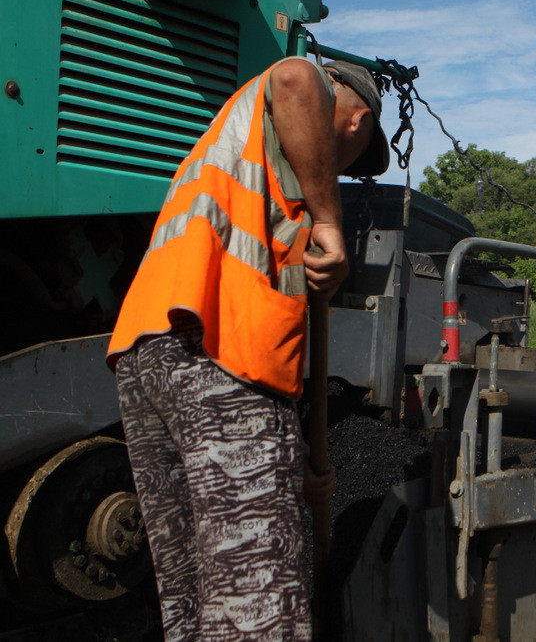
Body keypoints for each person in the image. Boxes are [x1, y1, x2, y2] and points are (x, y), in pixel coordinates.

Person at [106, 56, 389, 639]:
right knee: (257, 612)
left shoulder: (235, 146)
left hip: (148, 353)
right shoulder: (291, 98)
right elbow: (294, 77)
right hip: (216, 353)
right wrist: (330, 222)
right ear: (357, 125)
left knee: (195, 603)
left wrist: (290, 467)